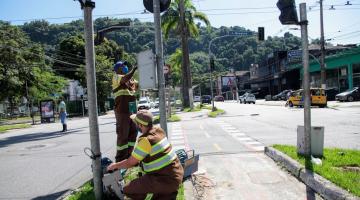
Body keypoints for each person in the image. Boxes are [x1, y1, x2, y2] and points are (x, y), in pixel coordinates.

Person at [107, 110, 184, 199]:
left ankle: (163, 192)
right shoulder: (159, 131)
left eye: (136, 123)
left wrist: (114, 166)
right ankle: (165, 194)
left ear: (141, 125)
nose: (135, 125)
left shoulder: (146, 140)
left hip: (162, 179)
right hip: (176, 176)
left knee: (127, 189)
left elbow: (130, 162)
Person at [112, 61, 138, 162]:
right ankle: (120, 160)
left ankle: (129, 156)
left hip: (132, 111)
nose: (125, 67)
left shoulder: (130, 79)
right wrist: (134, 69)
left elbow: (138, 84)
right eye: (123, 66)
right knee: (123, 135)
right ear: (118, 69)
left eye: (126, 66)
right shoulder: (116, 76)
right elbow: (124, 79)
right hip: (122, 111)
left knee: (133, 133)